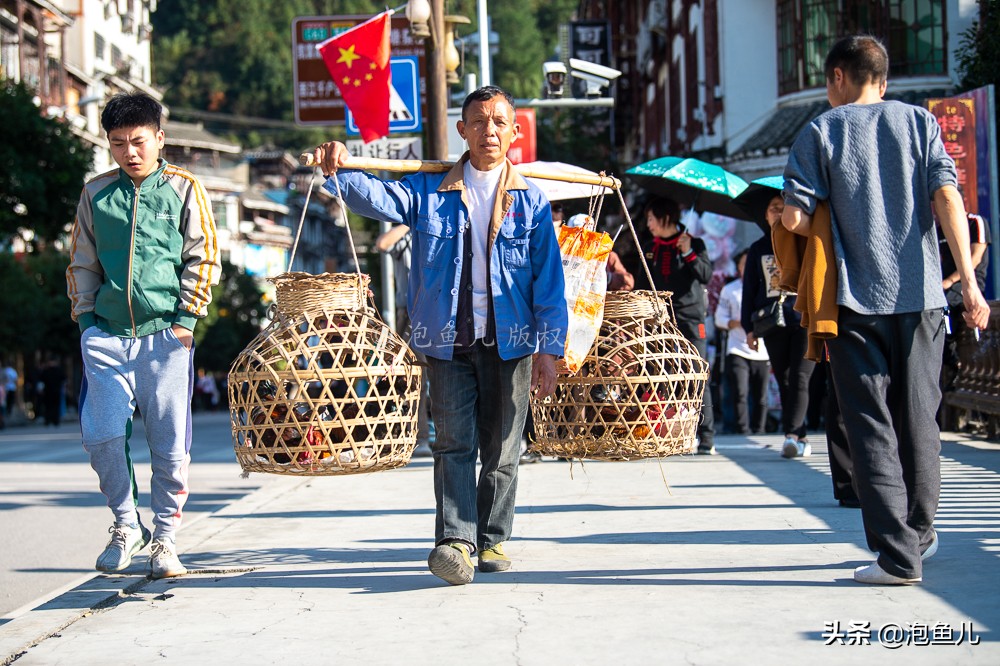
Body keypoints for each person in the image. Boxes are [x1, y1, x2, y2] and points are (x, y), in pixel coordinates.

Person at [311, 85, 567, 586]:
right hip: (447, 340)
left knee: (503, 447)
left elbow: (548, 281)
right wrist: (340, 169)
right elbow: (381, 197)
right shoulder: (430, 191)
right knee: (452, 444)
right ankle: (455, 540)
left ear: (514, 132)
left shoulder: (532, 203)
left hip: (511, 340)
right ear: (462, 130)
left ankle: (490, 537)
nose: (489, 131)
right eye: (479, 121)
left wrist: (550, 350)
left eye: (499, 122)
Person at [782, 35, 989, 585]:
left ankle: (898, 557)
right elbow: (948, 199)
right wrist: (968, 284)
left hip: (855, 303)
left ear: (837, 79)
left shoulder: (821, 130)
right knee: (921, 416)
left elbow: (800, 219)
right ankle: (919, 537)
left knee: (869, 422)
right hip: (922, 297)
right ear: (885, 80)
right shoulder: (920, 124)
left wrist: (788, 216)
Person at [67, 92, 220, 580]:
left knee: (170, 444)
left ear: (159, 138)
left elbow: (204, 255)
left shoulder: (183, 188)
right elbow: (82, 262)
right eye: (117, 144)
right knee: (101, 435)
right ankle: (125, 524)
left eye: (137, 141)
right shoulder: (95, 195)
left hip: (165, 337)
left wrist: (185, 323)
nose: (129, 152)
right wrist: (87, 322)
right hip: (107, 336)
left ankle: (165, 541)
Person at [636, 198, 715, 454]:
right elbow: (642, 284)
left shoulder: (694, 243)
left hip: (690, 317)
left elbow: (705, 275)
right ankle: (664, 433)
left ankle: (707, 437)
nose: (648, 224)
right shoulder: (649, 248)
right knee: (661, 373)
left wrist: (688, 252)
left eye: (651, 219)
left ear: (665, 218)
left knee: (696, 372)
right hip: (659, 319)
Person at [742, 195, 815, 457]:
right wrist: (748, 327)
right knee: (784, 378)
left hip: (803, 317)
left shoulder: (804, 241)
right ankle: (800, 434)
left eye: (783, 209)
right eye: (773, 209)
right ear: (765, 215)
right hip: (772, 320)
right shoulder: (758, 248)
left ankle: (791, 435)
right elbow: (749, 290)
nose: (778, 213)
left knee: (800, 376)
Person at [374, 224, 434, 457]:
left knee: (448, 375)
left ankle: (446, 437)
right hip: (411, 314)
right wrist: (411, 219)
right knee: (412, 378)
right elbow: (382, 243)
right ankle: (418, 438)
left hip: (443, 311)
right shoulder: (407, 234)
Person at [715, 249, 769, 434]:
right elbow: (719, 318)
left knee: (761, 395)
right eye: (743, 264)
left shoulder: (766, 288)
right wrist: (736, 322)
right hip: (737, 346)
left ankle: (759, 429)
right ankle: (743, 429)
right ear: (738, 267)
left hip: (762, 350)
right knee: (740, 392)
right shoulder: (730, 290)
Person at [939, 211, 991, 391]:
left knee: (943, 309)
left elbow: (976, 257)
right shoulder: (939, 228)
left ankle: (954, 362)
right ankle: (947, 360)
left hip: (967, 284)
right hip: (944, 286)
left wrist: (950, 281)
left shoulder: (976, 222)